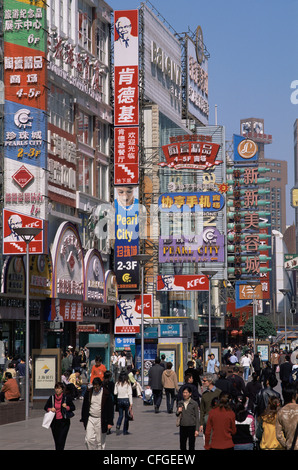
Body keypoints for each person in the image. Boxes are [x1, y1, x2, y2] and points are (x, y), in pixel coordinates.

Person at [80, 377, 114, 450]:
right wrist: (83, 418)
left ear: (101, 385)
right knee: (88, 439)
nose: (95, 389)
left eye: (97, 387)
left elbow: (110, 409)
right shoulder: (89, 393)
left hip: (101, 419)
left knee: (100, 441)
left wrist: (110, 422)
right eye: (94, 387)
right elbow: (85, 406)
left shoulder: (106, 394)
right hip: (91, 418)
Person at [44, 382, 75, 450]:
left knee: (61, 440)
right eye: (56, 388)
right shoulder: (52, 398)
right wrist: (50, 409)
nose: (57, 390)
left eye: (59, 388)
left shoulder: (66, 398)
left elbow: (73, 407)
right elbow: (45, 407)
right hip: (54, 422)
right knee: (57, 441)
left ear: (62, 389)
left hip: (64, 422)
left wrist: (67, 407)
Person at [176, 386, 200, 451]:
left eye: (186, 393)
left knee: (191, 445)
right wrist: (178, 411)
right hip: (183, 426)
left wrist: (197, 429)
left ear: (190, 394)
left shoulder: (194, 403)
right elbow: (177, 414)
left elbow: (197, 417)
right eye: (184, 392)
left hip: (191, 426)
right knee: (182, 445)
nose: (185, 394)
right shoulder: (180, 402)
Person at [276, 383, 298, 450]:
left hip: (290, 446)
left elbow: (279, 435)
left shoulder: (281, 412)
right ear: (294, 396)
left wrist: (286, 445)